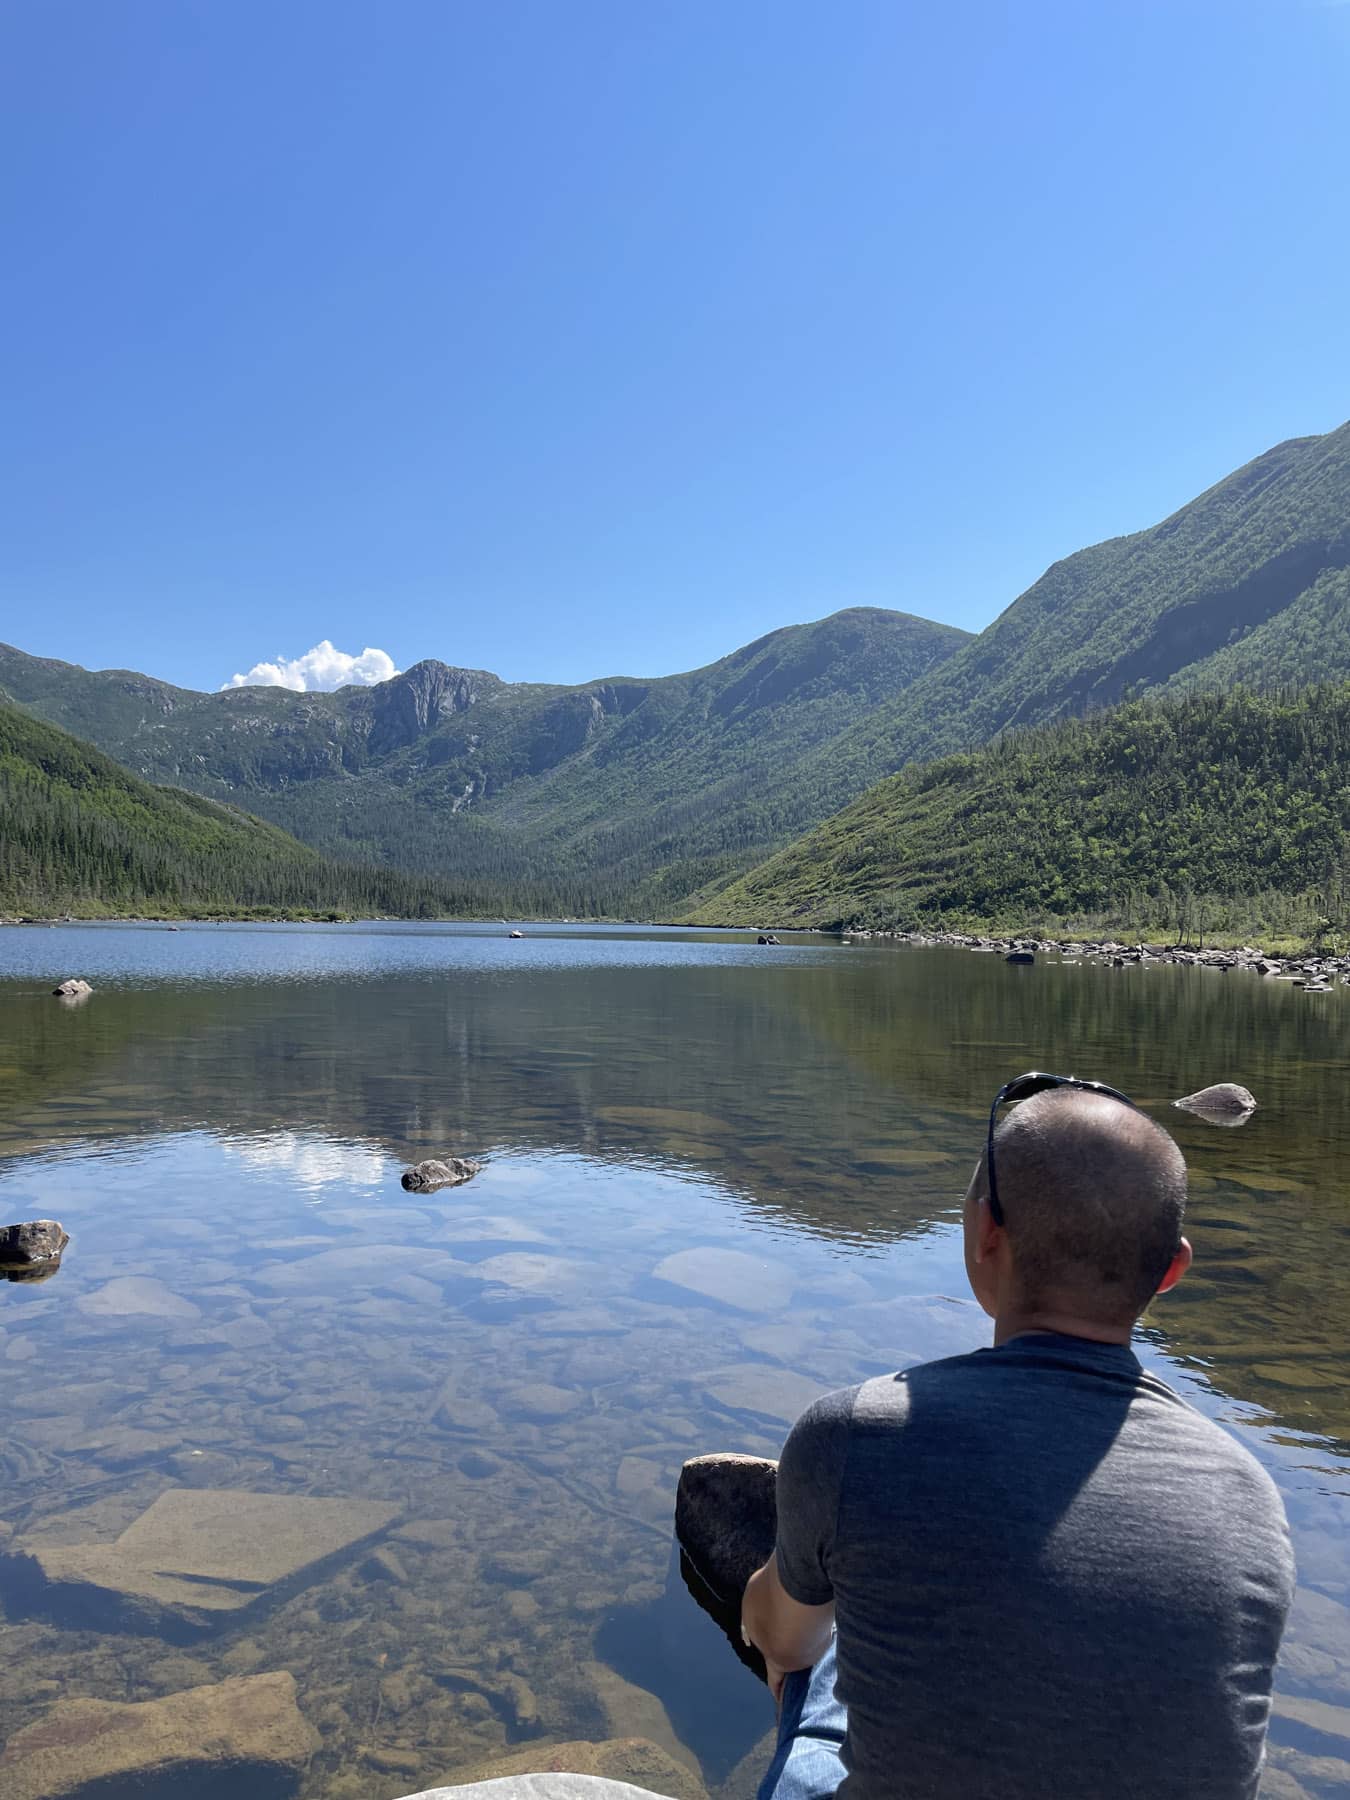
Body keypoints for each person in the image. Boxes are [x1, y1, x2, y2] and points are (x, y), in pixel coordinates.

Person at [741, 1072, 1295, 1800]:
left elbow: (781, 1641)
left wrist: (767, 1601)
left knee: (825, 1664)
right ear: (1172, 1270)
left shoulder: (857, 1435)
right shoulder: (1250, 1495)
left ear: (982, 1233)